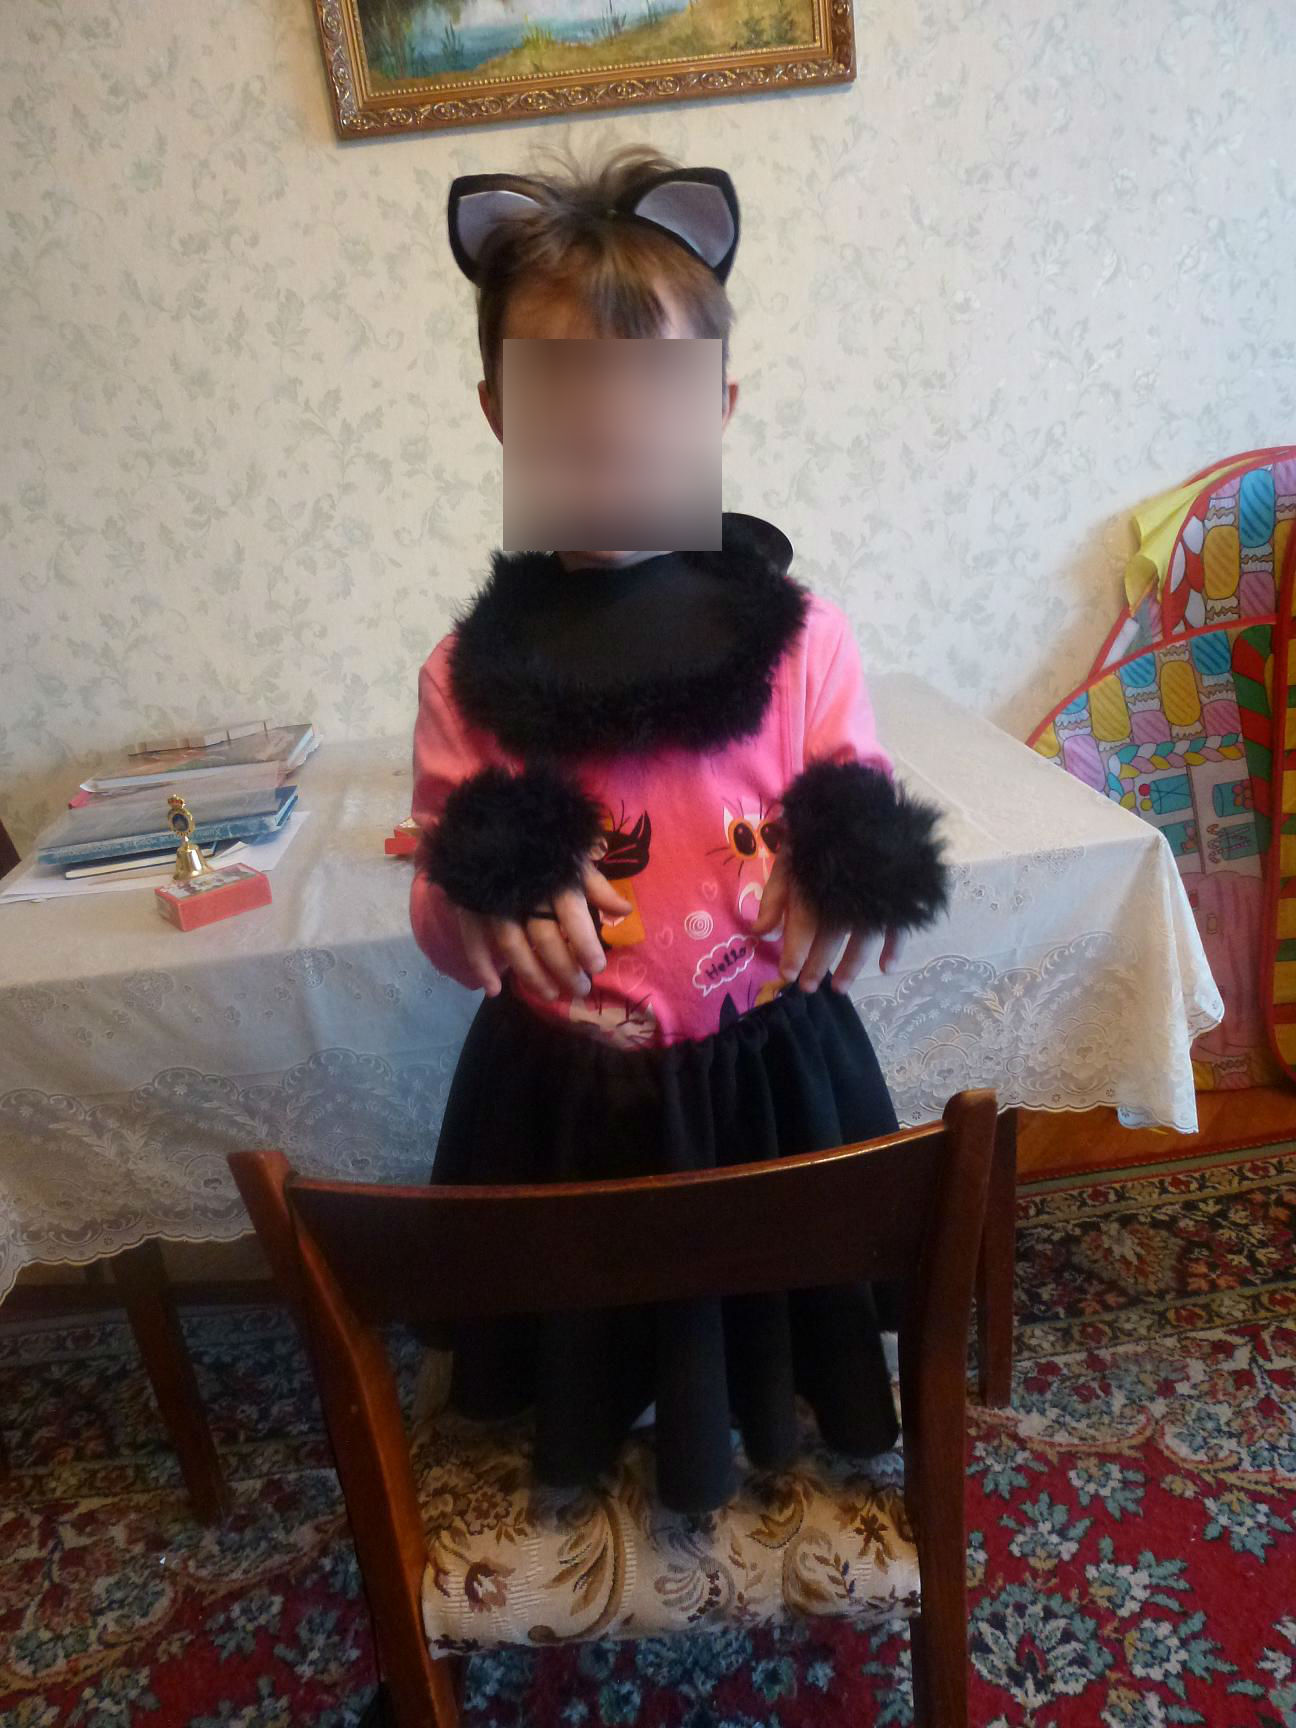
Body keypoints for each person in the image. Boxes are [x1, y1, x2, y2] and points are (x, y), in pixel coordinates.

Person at [409, 143, 950, 1516]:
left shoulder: (806, 639)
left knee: (762, 1310)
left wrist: (848, 865)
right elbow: (441, 916)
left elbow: (861, 792)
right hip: (563, 1099)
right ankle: (594, 1446)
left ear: (717, 404)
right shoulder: (466, 674)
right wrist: (476, 890)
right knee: (584, 1328)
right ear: (498, 414)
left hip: (767, 1080)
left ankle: (755, 1433)